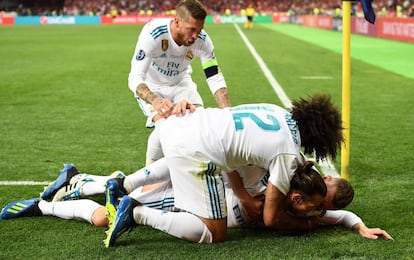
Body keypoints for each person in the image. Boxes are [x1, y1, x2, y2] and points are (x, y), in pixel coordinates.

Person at [100, 93, 345, 246]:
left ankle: (124, 184)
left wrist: (243, 196)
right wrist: (310, 224)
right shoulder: (287, 152)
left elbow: (233, 154)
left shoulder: (276, 110)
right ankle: (137, 213)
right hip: (194, 151)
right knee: (214, 232)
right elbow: (271, 218)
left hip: (182, 127)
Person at [0, 163, 393, 242]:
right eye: (316, 201)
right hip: (196, 196)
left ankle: (52, 199)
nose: (314, 209)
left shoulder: (313, 209)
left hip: (194, 201)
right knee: (114, 203)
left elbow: (342, 216)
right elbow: (229, 166)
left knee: (106, 214)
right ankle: (67, 187)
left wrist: (361, 227)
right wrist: (240, 196)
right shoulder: (280, 179)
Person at [128, 0, 231, 129]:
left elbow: (214, 77)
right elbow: (135, 77)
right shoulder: (153, 34)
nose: (195, 36)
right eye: (191, 29)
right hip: (153, 86)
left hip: (181, 83)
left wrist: (228, 114)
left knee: (197, 122)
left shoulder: (203, 41)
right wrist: (155, 100)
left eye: (199, 30)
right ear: (177, 21)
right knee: (164, 126)